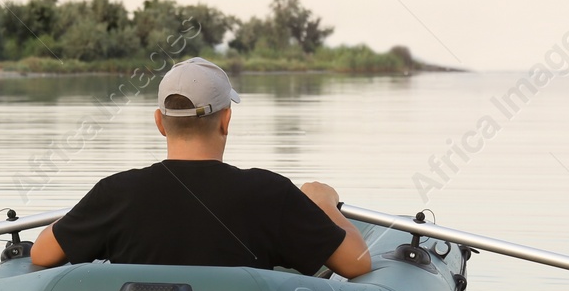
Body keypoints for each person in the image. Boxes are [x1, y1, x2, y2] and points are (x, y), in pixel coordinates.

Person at [29, 57, 373, 277]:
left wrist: (86, 215)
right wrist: (322, 202)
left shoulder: (115, 193)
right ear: (226, 119)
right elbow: (357, 263)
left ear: (160, 123)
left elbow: (42, 254)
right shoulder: (272, 194)